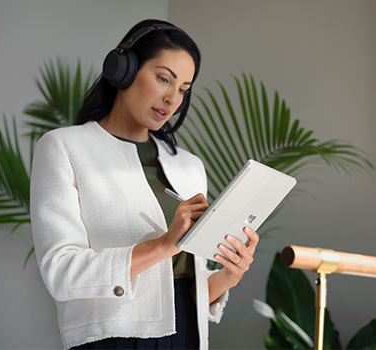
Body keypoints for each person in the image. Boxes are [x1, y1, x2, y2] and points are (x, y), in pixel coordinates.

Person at [31, 19, 257, 350]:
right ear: (123, 69)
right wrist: (164, 244)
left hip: (187, 336)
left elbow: (179, 291)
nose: (172, 99)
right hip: (112, 340)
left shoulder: (189, 167)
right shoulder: (64, 147)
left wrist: (227, 277)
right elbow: (62, 274)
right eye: (163, 78)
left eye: (182, 88)